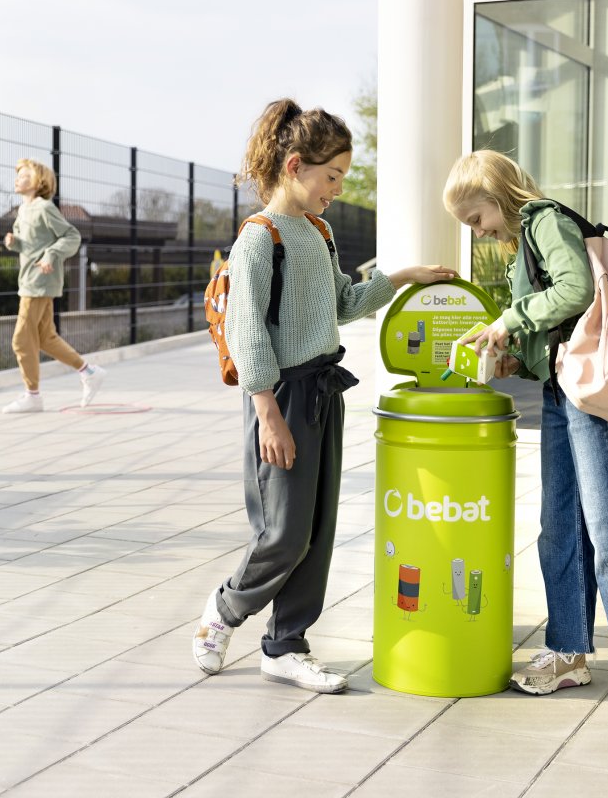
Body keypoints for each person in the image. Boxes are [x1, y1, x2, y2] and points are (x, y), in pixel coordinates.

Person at [191, 99, 458, 693]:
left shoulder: (319, 230)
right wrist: (268, 416)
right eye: (331, 176)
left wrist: (402, 277)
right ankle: (223, 613)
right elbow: (247, 329)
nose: (337, 187)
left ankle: (286, 645)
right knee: (283, 531)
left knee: (317, 527)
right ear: (294, 166)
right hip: (280, 397)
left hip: (322, 388)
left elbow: (341, 303)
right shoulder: (258, 240)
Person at [441, 149, 608, 719]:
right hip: (562, 389)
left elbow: (576, 290)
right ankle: (569, 649)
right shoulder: (522, 244)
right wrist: (514, 359)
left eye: (476, 219)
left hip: (594, 393)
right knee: (561, 525)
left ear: (497, 194)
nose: (479, 233)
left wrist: (508, 320)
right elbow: (557, 326)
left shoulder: (544, 220)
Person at [1, 158, 105, 413]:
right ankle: (89, 371)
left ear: (39, 182)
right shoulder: (22, 210)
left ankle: (32, 395)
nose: (18, 179)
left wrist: (51, 255)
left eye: (24, 176)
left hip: (39, 281)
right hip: (29, 279)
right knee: (46, 337)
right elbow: (29, 244)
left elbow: (72, 236)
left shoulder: (44, 207)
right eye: (18, 176)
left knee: (21, 340)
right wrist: (14, 243)